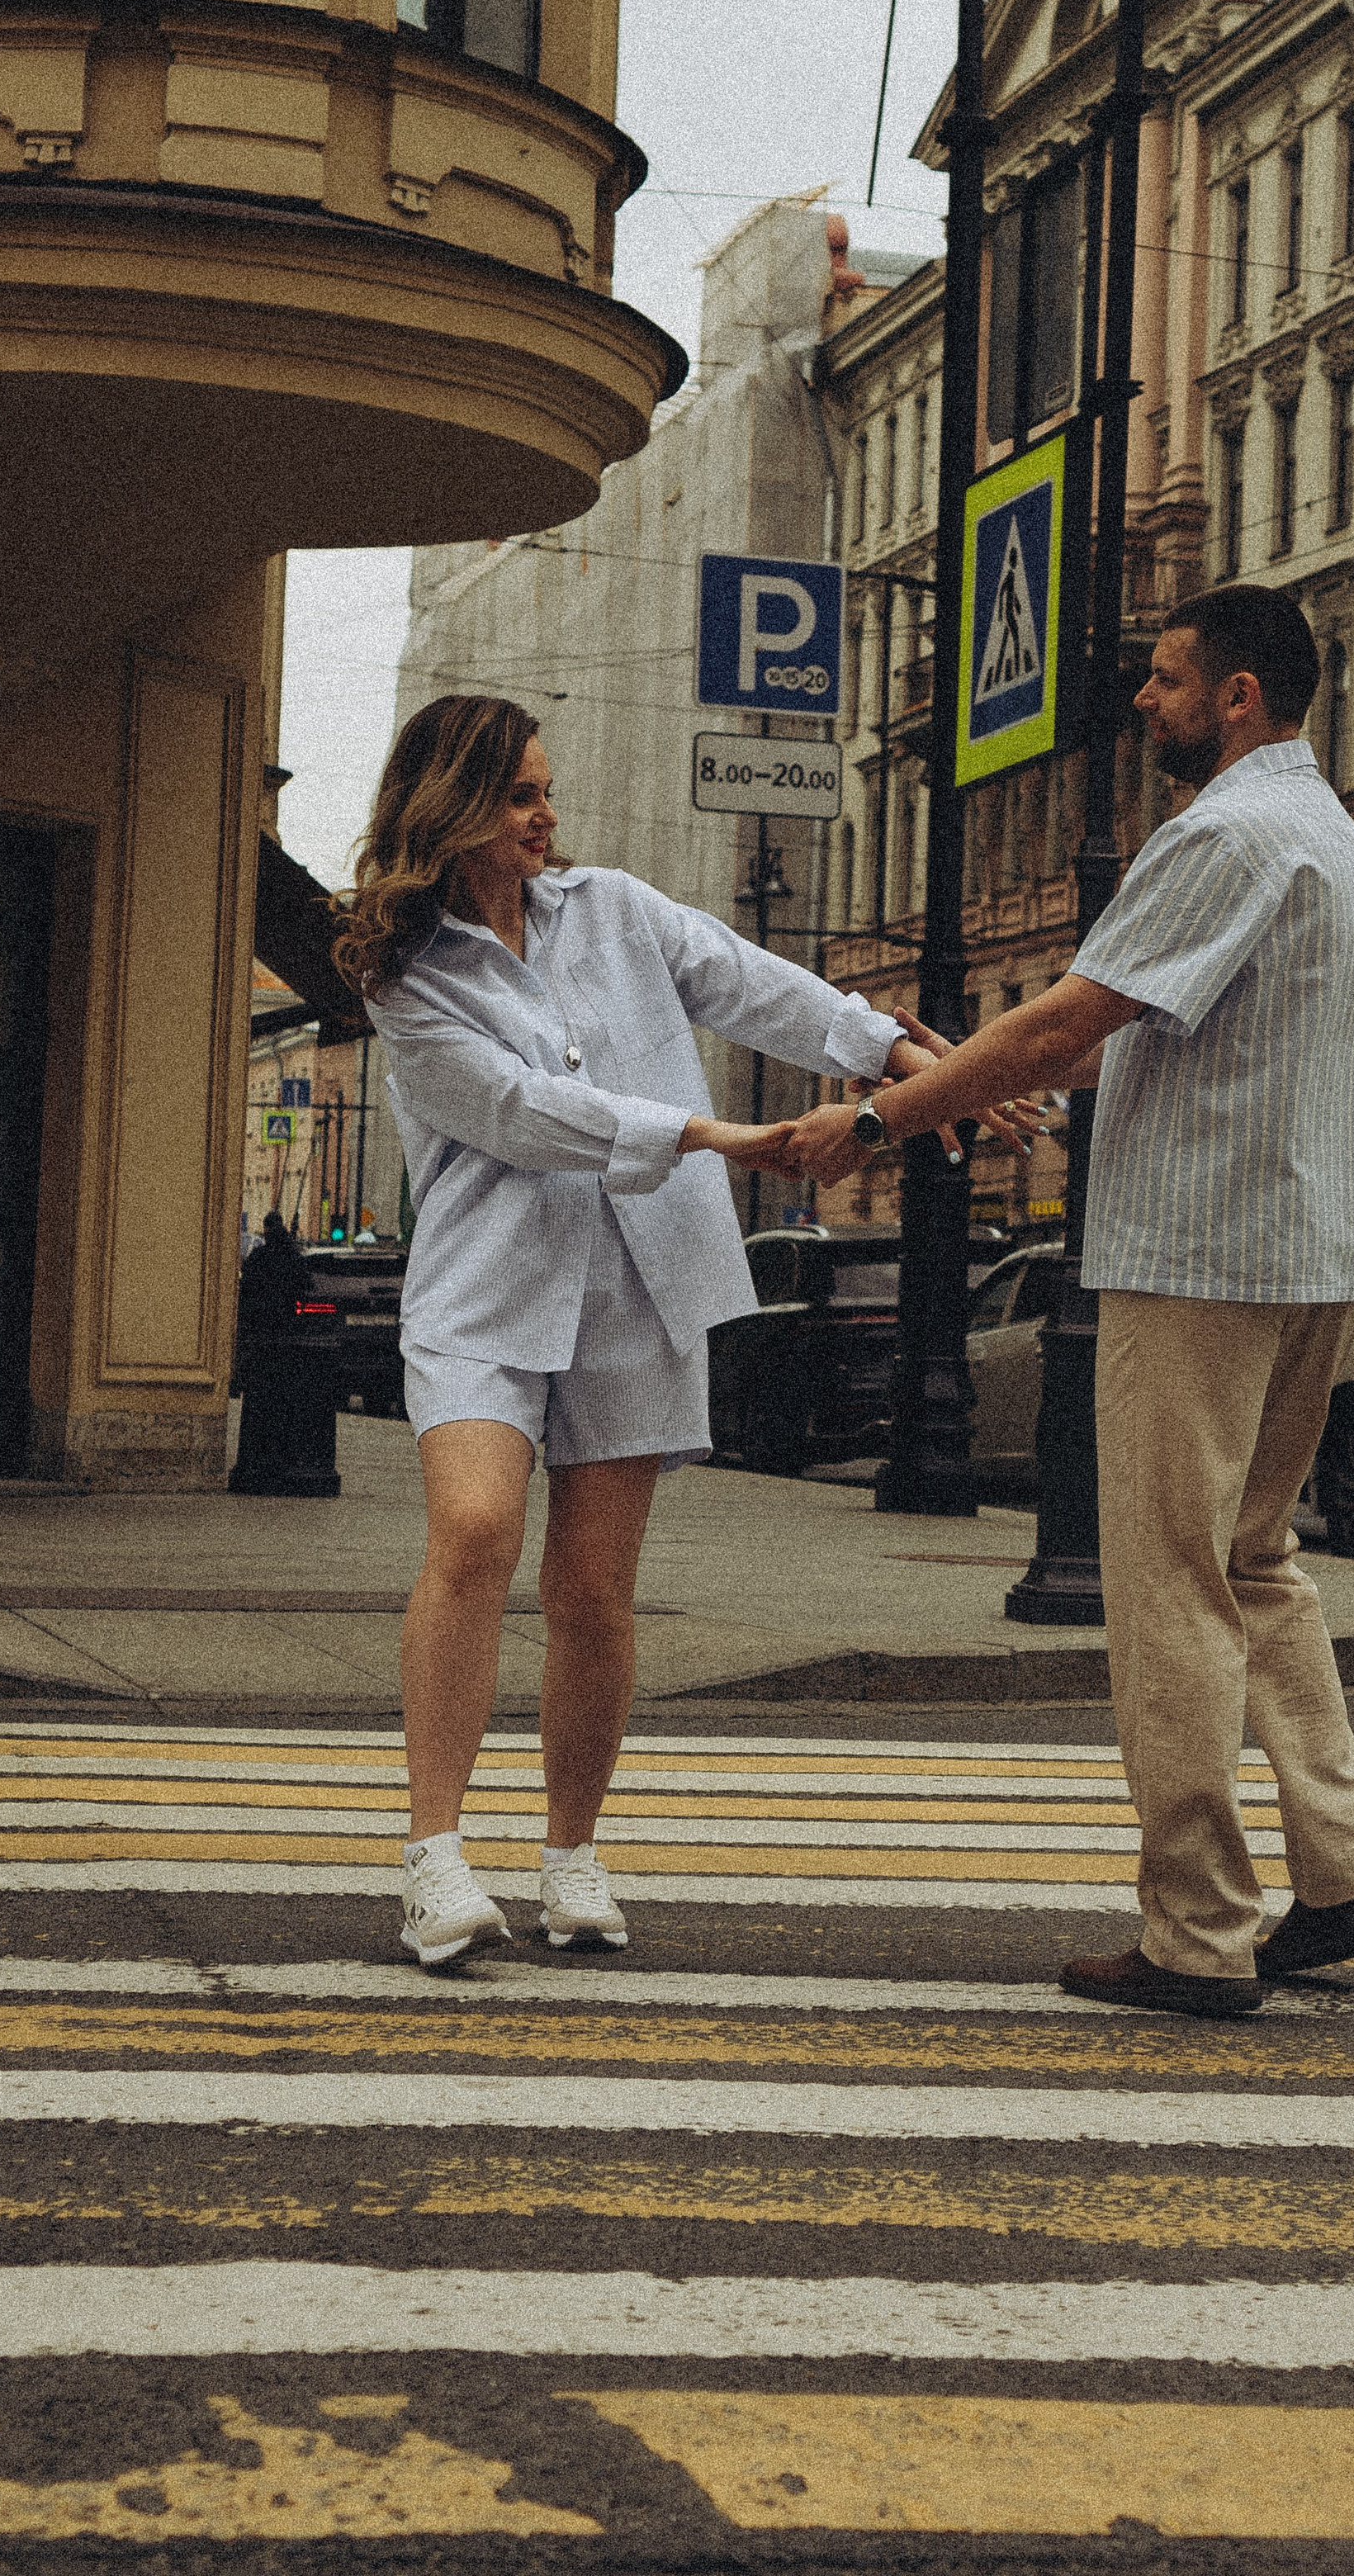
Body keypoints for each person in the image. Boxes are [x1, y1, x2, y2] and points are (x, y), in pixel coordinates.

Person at [786, 584, 1354, 2019]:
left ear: (1238, 696)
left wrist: (882, 1123)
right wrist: (978, 1091)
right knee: (1254, 1559)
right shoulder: (1329, 835)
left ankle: (1197, 1932)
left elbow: (1075, 1015)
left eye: (1169, 678)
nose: (1144, 700)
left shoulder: (1225, 831)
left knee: (1173, 1580)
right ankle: (1343, 1867)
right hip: (1307, 1255)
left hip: (1199, 1262)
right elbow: (1141, 1047)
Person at [330, 694, 1000, 1972]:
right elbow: (520, 1111)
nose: (547, 816)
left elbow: (754, 987)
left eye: (546, 791)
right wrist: (713, 1137)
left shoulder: (618, 911)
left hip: (639, 1286)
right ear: (457, 807)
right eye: (522, 796)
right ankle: (433, 1859)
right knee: (474, 1532)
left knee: (593, 1589)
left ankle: (571, 1853)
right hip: (487, 1293)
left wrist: (904, 1059)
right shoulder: (406, 978)